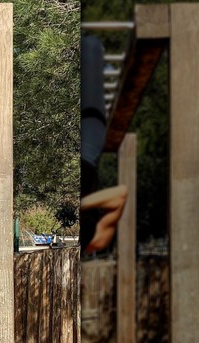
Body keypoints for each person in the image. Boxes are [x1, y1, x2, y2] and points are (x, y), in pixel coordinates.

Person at [80, 34, 128, 254]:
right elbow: (121, 194)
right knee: (90, 45)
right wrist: (81, 204)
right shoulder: (98, 240)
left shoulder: (89, 243)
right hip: (87, 155)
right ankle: (92, 47)